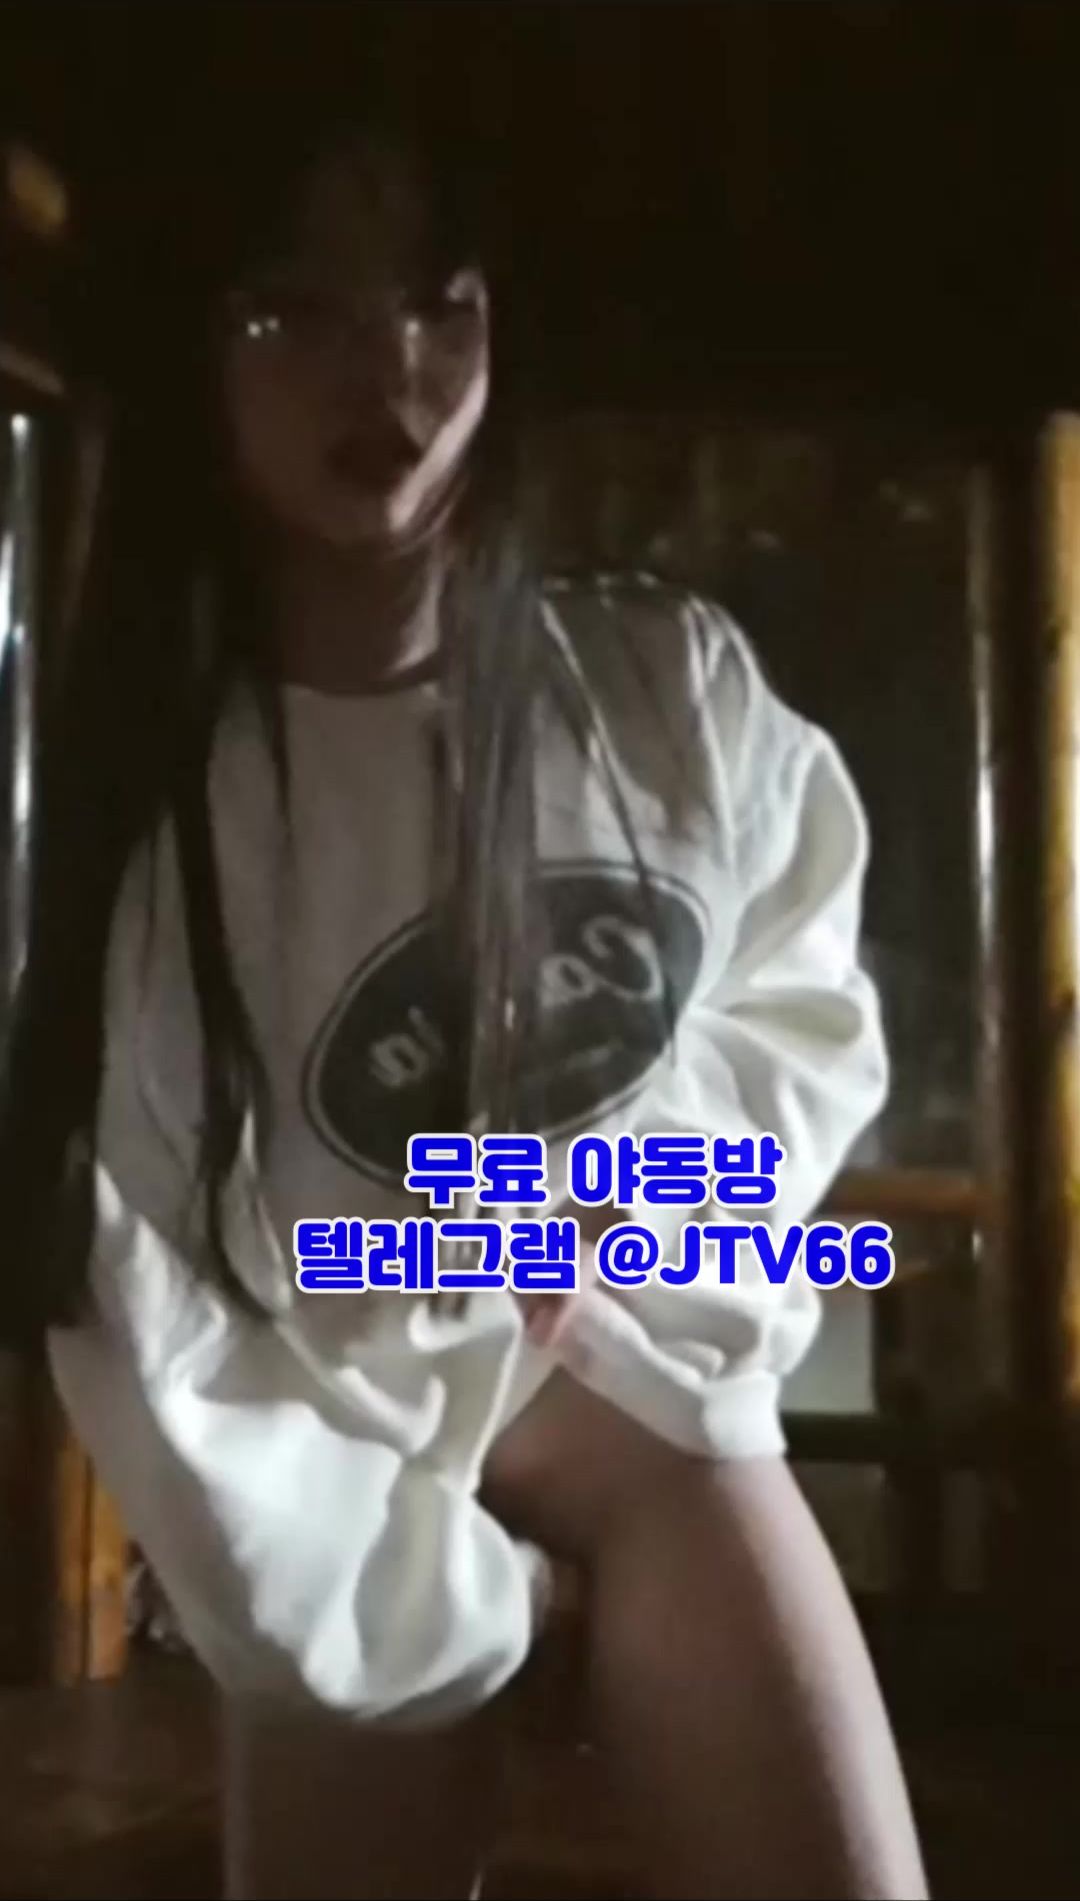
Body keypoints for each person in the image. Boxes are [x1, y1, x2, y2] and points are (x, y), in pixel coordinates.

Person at [0, 89, 927, 1901]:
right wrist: (453, 1599)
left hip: (649, 1418)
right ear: (200, 350)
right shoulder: (166, 825)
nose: (392, 368)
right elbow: (152, 1312)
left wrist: (625, 1224)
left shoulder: (665, 697)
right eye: (297, 307)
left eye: (440, 300)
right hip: (332, 1515)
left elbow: (802, 1014)